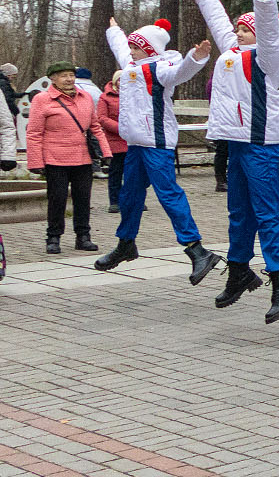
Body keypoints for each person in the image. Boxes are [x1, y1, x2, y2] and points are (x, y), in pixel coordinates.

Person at [194, 0, 279, 322]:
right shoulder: (233, 53)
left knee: (268, 214)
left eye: (248, 28)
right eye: (240, 28)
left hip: (260, 144)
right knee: (239, 213)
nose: (240, 33)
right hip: (235, 142)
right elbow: (217, 22)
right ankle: (240, 271)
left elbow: (270, 34)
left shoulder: (270, 58)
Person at [94, 16, 223, 284]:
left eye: (136, 47)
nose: (130, 51)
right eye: (131, 46)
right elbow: (119, 46)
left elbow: (182, 73)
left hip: (157, 143)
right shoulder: (130, 64)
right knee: (129, 196)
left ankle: (197, 250)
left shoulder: (160, 69)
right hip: (136, 145)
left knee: (168, 195)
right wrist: (114, 29)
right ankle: (126, 244)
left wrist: (196, 58)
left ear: (150, 50)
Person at [26, 61, 111, 253]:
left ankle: (83, 237)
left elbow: (95, 127)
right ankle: (53, 238)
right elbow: (34, 133)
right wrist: (35, 162)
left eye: (71, 75)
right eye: (64, 75)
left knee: (83, 199)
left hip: (82, 158)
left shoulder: (86, 97)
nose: (69, 79)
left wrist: (106, 152)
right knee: (57, 199)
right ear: (53, 79)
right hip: (55, 158)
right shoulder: (42, 100)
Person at [98, 72, 123, 211]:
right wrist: (120, 128)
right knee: (116, 172)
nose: (122, 82)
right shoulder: (105, 97)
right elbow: (101, 118)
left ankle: (134, 199)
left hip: (133, 140)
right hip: (115, 140)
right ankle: (115, 201)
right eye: (120, 80)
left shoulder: (135, 94)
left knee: (134, 173)